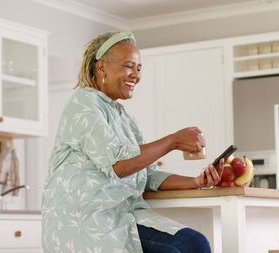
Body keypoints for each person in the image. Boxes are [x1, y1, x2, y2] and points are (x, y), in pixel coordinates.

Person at [41, 31, 223, 253]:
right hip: (88, 223)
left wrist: (196, 181)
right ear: (101, 68)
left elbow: (148, 175)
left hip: (122, 217)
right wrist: (174, 141)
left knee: (192, 244)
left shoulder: (124, 117)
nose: (136, 75)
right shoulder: (83, 103)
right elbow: (119, 164)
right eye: (129, 66)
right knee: (190, 245)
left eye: (139, 69)